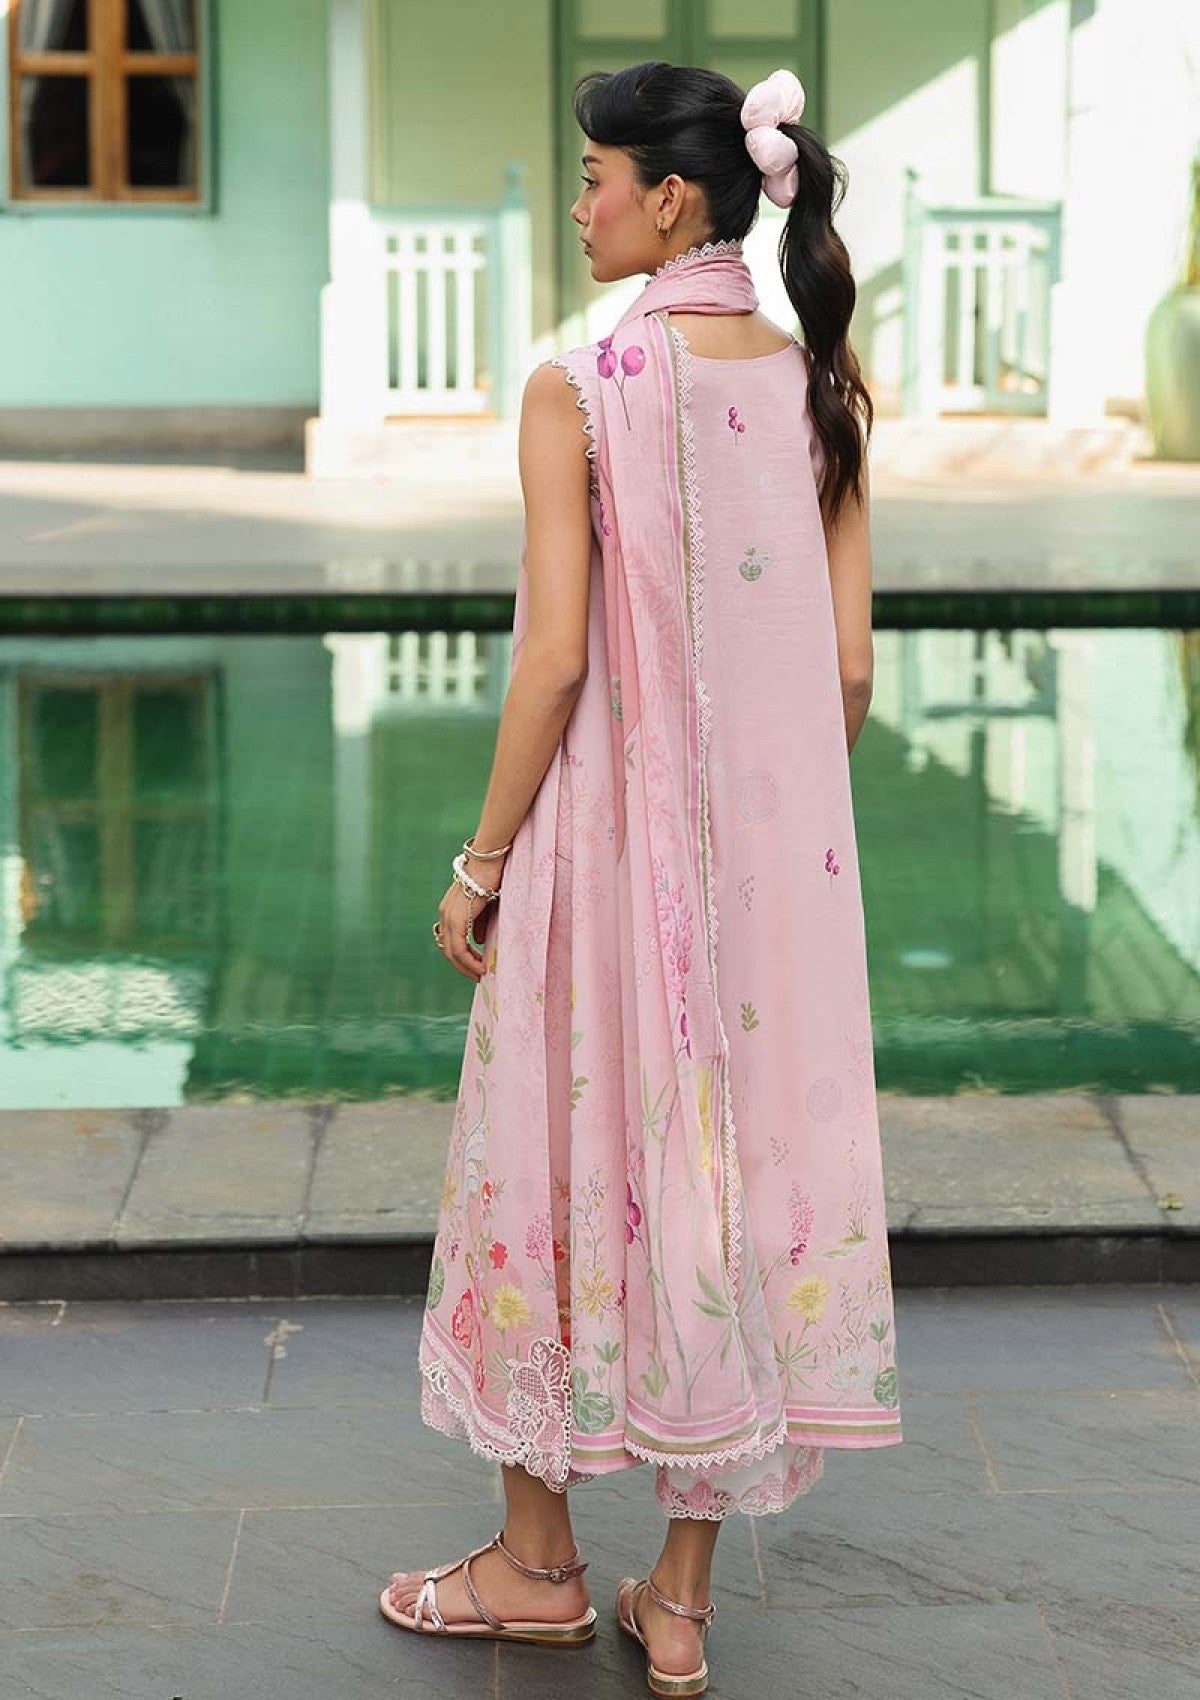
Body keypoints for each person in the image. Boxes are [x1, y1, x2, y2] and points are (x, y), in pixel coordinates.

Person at [380, 60, 903, 1698]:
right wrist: (765, 830)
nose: (582, 202)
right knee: (727, 1184)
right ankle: (677, 1603)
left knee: (554, 1157)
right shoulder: (821, 385)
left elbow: (551, 665)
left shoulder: (583, 385)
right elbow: (849, 671)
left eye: (598, 176)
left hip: (598, 868)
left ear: (672, 199)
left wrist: (478, 864)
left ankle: (536, 1570)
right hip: (774, 888)